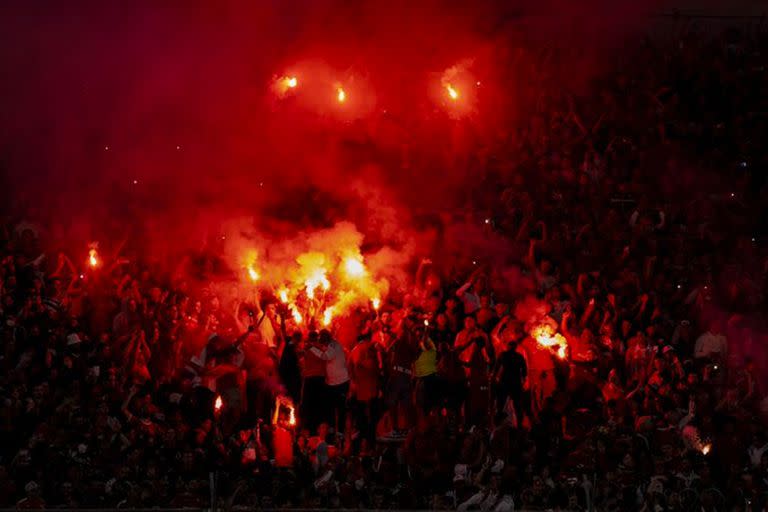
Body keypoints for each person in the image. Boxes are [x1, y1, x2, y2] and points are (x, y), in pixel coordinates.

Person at [309, 329, 350, 434]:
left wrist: (312, 348)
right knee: (330, 408)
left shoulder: (333, 347)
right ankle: (332, 429)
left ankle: (340, 432)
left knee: (340, 408)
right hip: (332, 383)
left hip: (340, 383)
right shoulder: (332, 344)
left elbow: (325, 356)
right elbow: (325, 350)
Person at [494, 339, 527, 421]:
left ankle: (500, 420)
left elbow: (496, 367)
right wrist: (523, 379)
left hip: (506, 381)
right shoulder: (519, 356)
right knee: (516, 404)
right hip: (514, 382)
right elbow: (524, 370)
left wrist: (494, 376)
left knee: (501, 403)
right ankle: (518, 423)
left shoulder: (504, 355)